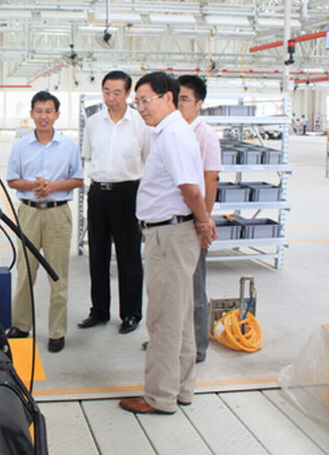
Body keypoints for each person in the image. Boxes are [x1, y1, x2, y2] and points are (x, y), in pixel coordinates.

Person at [119, 72, 216, 415]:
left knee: (163, 319)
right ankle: (182, 389)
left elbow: (190, 188)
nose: (141, 108)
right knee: (181, 317)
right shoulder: (171, 131)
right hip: (173, 232)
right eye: (137, 102)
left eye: (146, 100)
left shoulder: (172, 134)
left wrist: (203, 221)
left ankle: (159, 397)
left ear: (168, 98)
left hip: (169, 235)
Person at [5, 91, 83, 353]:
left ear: (57, 115)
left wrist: (53, 187)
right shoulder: (20, 146)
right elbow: (12, 180)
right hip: (28, 213)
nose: (43, 116)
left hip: (57, 214)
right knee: (25, 273)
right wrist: (34, 186)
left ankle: (57, 332)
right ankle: (21, 325)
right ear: (31, 114)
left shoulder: (69, 146)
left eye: (48, 111)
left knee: (58, 275)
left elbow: (77, 179)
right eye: (38, 111)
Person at [79, 70, 149, 334]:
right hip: (98, 193)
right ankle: (99, 311)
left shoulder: (140, 123)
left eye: (117, 92)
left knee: (129, 256)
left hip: (128, 194)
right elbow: (89, 156)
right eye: (106, 91)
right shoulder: (94, 122)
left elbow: (149, 160)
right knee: (97, 254)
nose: (111, 97)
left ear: (128, 94)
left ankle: (131, 313)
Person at [177, 75, 222, 363]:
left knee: (195, 287)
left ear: (199, 103)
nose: (179, 104)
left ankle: (198, 346)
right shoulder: (170, 131)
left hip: (194, 221)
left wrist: (203, 221)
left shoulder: (205, 135)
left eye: (185, 99)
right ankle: (175, 340)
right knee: (174, 288)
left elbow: (211, 179)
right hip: (173, 222)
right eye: (176, 98)